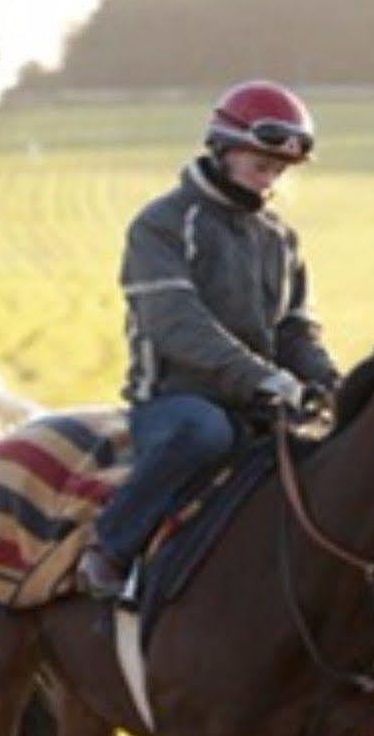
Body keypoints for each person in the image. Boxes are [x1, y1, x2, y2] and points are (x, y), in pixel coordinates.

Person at [77, 80, 339, 599]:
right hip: (177, 400)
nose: (271, 178)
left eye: (279, 170)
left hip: (262, 401)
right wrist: (267, 379)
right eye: (260, 164)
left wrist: (331, 382)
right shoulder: (162, 224)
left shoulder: (280, 239)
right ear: (221, 148)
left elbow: (294, 329)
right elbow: (178, 326)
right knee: (205, 433)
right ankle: (110, 548)